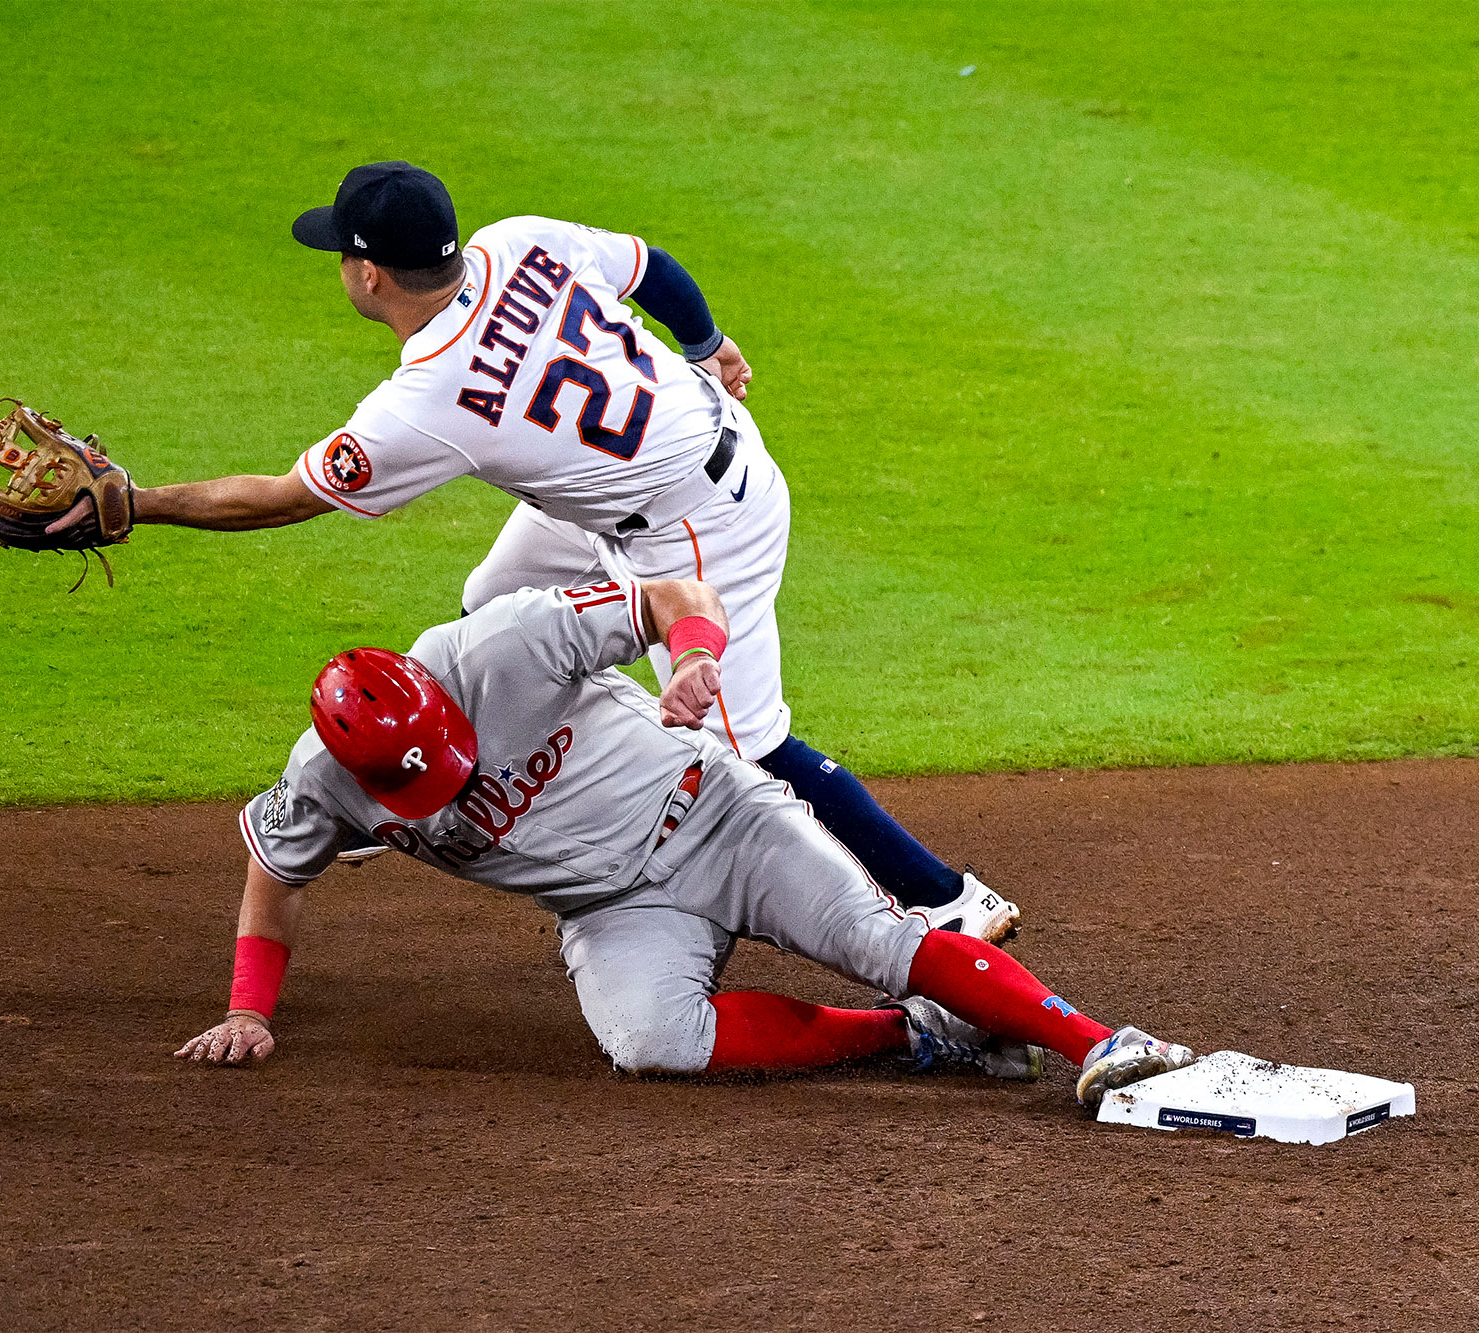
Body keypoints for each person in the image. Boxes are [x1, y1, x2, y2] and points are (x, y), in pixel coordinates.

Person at [74, 160, 1018, 941]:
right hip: (673, 455)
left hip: (692, 524)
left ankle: (945, 900)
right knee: (496, 610)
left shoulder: (422, 403)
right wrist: (709, 343)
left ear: (369, 275)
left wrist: (136, 504)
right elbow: (652, 269)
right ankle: (407, 787)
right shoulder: (517, 240)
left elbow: (283, 500)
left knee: (747, 743)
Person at [174, 576, 1193, 1108]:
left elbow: (670, 598)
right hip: (617, 910)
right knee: (651, 1045)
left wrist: (695, 659)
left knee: (878, 935)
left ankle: (1102, 1042)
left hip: (716, 814)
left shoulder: (499, 642)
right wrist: (246, 1011)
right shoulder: (319, 783)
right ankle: (916, 1033)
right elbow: (272, 871)